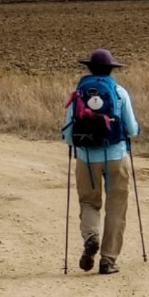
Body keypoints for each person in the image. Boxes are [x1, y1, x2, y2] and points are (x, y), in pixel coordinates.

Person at [62, 48, 140, 274]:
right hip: (116, 156)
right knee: (116, 207)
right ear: (111, 69)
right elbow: (132, 130)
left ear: (89, 68)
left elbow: (68, 134)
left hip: (86, 157)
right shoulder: (118, 92)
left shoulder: (78, 92)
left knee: (88, 202)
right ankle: (108, 260)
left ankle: (91, 237)